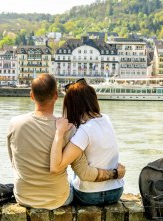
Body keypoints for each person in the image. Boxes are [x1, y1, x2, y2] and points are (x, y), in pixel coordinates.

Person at [7, 73, 125, 209]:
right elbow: (84, 172)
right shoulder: (71, 129)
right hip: (58, 199)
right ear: (56, 96)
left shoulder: (14, 123)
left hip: (23, 196)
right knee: (69, 181)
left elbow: (13, 162)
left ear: (31, 95)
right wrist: (116, 173)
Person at [50, 78, 124, 206]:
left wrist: (59, 133)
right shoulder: (106, 119)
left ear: (72, 106)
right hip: (116, 191)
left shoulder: (84, 131)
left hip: (89, 195)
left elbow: (57, 166)